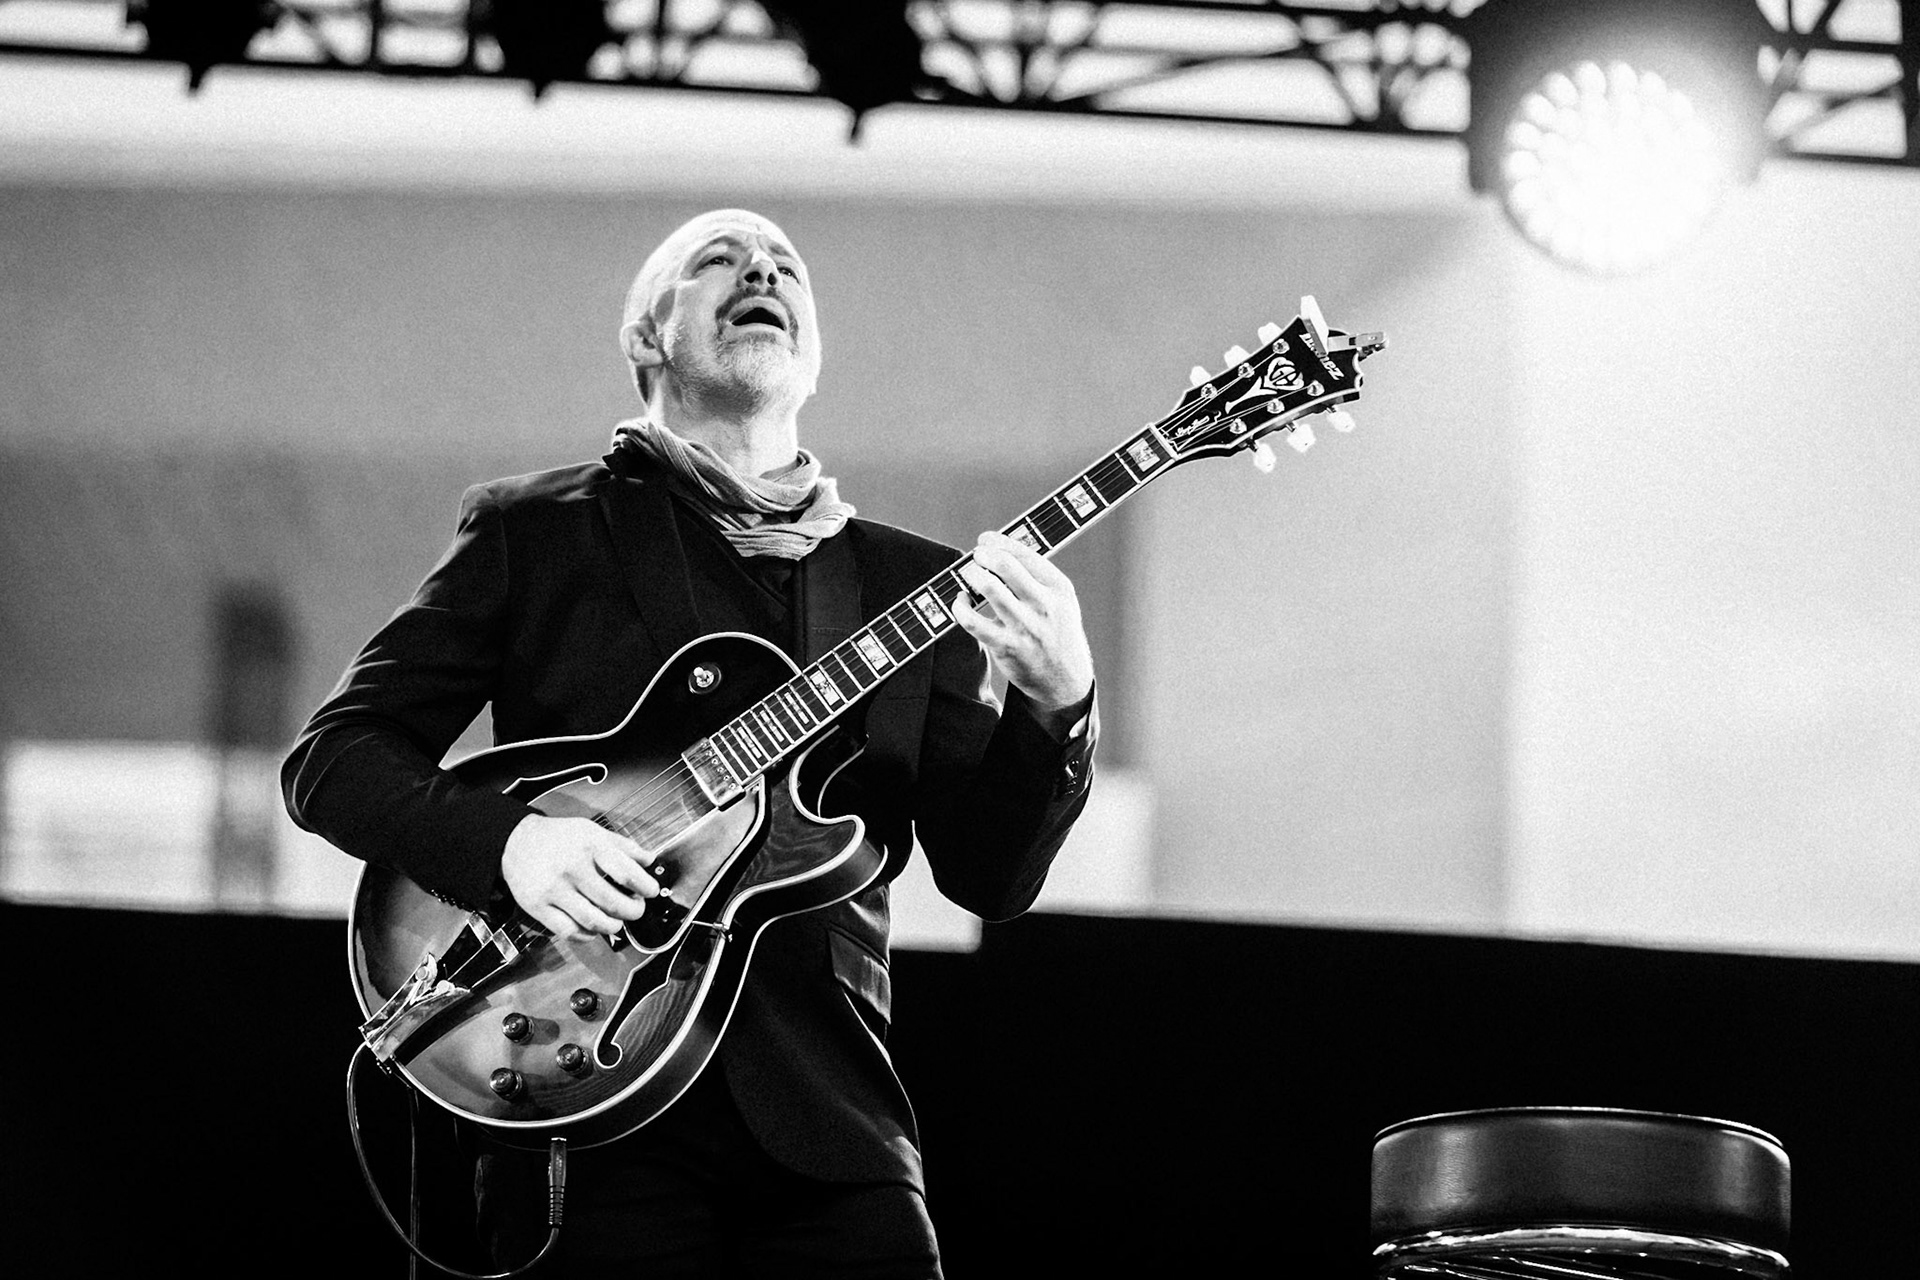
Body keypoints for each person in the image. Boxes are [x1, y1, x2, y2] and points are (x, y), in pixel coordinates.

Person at [282, 208, 1098, 1278]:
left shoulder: (912, 590)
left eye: (786, 265)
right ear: (646, 338)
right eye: (719, 258)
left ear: (813, 356)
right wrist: (514, 844)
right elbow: (333, 759)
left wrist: (1060, 699)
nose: (762, 267)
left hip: (832, 1132)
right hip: (587, 1105)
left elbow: (990, 876)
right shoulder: (540, 529)